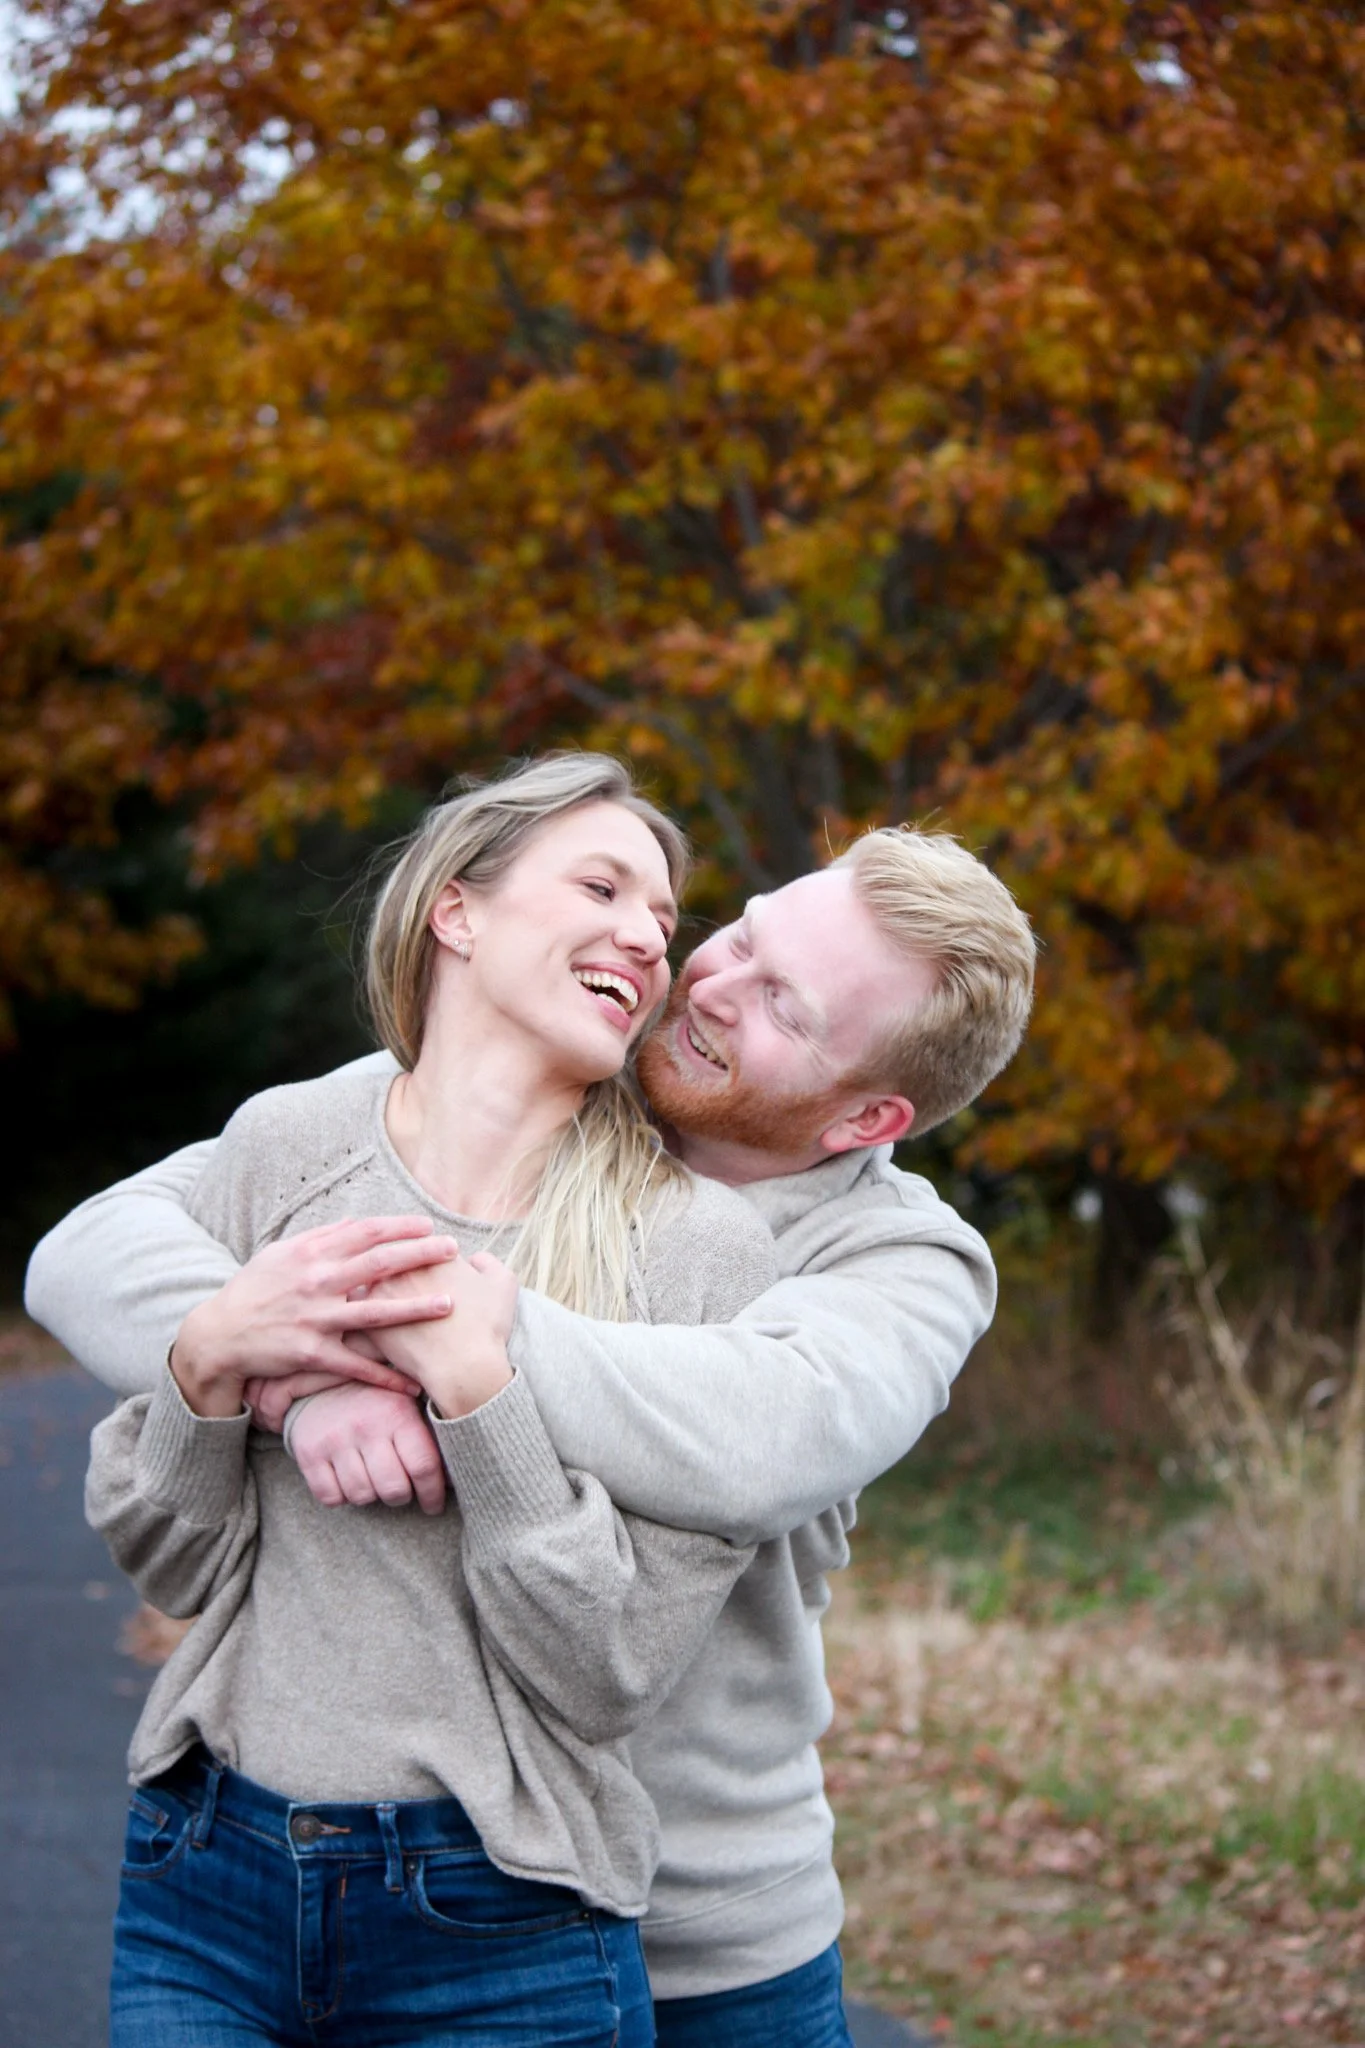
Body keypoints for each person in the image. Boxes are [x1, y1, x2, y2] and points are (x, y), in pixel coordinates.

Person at [28, 806, 1036, 2048]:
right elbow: (96, 1245)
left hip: (708, 1934)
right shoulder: (532, 1091)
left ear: (864, 1120)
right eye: (740, 940)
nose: (712, 986)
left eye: (787, 1009)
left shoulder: (903, 1258)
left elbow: (757, 1435)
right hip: (386, 1890)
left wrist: (463, 1335)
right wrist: (298, 1364)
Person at [70, 753, 789, 2048]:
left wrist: (480, 1407)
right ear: (457, 910)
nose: (646, 934)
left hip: (504, 1925)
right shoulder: (285, 1148)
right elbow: (166, 1558)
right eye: (603, 883)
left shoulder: (699, 1252)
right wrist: (221, 1361)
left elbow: (609, 1668)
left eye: (663, 920)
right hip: (206, 1880)